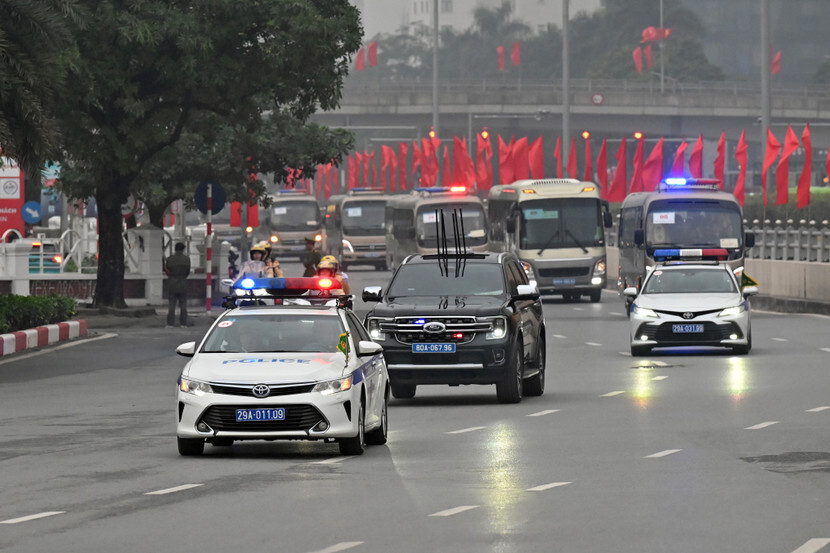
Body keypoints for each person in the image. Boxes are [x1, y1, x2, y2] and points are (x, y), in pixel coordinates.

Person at [165, 242, 191, 328]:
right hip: (183, 282)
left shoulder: (170, 259)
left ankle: (170, 323)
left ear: (175, 249)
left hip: (172, 282)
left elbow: (167, 271)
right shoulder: (187, 259)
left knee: (172, 304)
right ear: (183, 249)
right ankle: (183, 323)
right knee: (183, 304)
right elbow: (187, 272)